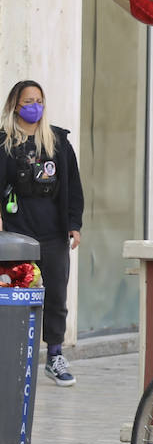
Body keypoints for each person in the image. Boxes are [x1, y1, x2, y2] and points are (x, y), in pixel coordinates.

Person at [0, 81, 83, 387]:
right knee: (16, 294)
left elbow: (73, 185)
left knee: (56, 295)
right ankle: (16, 356)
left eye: (39, 100)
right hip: (17, 233)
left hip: (53, 232)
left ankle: (55, 355)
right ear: (15, 105)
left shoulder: (58, 141)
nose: (34, 105)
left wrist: (75, 224)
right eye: (28, 101)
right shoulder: (4, 142)